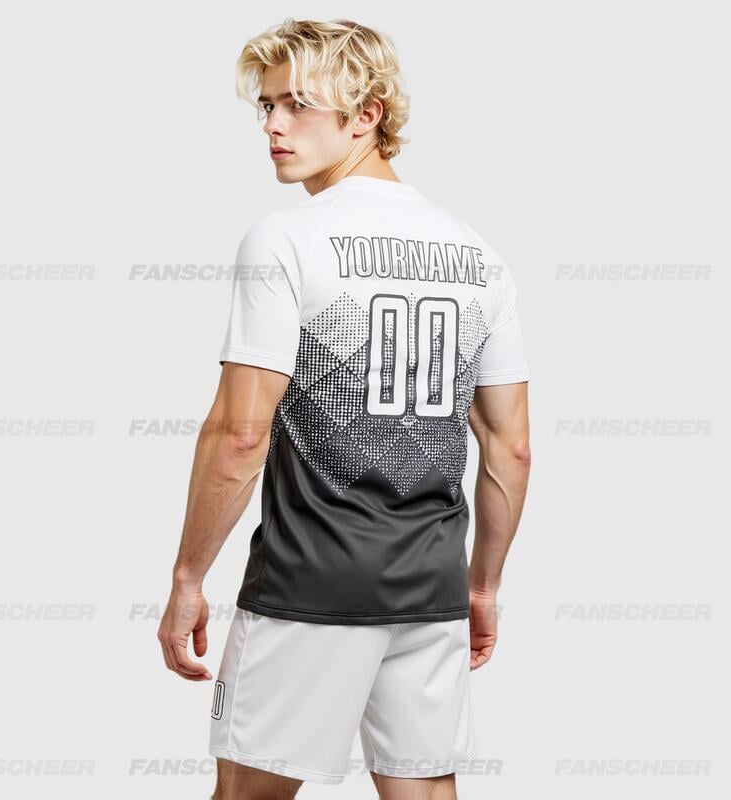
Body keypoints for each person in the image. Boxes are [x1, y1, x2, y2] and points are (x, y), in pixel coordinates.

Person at [158, 18, 531, 800]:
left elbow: (240, 436)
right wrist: (481, 587)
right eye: (266, 106)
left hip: (308, 588)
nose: (273, 125)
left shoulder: (287, 242)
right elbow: (510, 448)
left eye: (297, 104)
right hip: (430, 588)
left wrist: (189, 577)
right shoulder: (479, 255)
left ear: (367, 114)